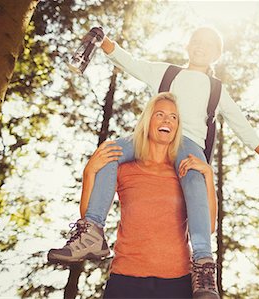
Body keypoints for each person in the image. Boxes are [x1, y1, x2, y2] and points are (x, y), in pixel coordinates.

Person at [50, 26, 259, 296]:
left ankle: (203, 262)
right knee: (109, 151)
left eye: (208, 45)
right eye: (196, 41)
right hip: (147, 138)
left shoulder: (216, 89)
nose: (201, 46)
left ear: (217, 55)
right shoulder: (168, 73)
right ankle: (92, 232)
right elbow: (131, 63)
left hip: (189, 144)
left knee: (193, 177)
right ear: (188, 45)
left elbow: (238, 119)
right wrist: (103, 41)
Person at [50, 93, 218, 298]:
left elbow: (207, 227)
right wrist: (89, 171)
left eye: (174, 117)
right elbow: (90, 214)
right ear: (148, 121)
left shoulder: (184, 173)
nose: (167, 120)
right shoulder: (125, 168)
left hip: (177, 282)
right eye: (160, 114)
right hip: (126, 280)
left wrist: (208, 175)